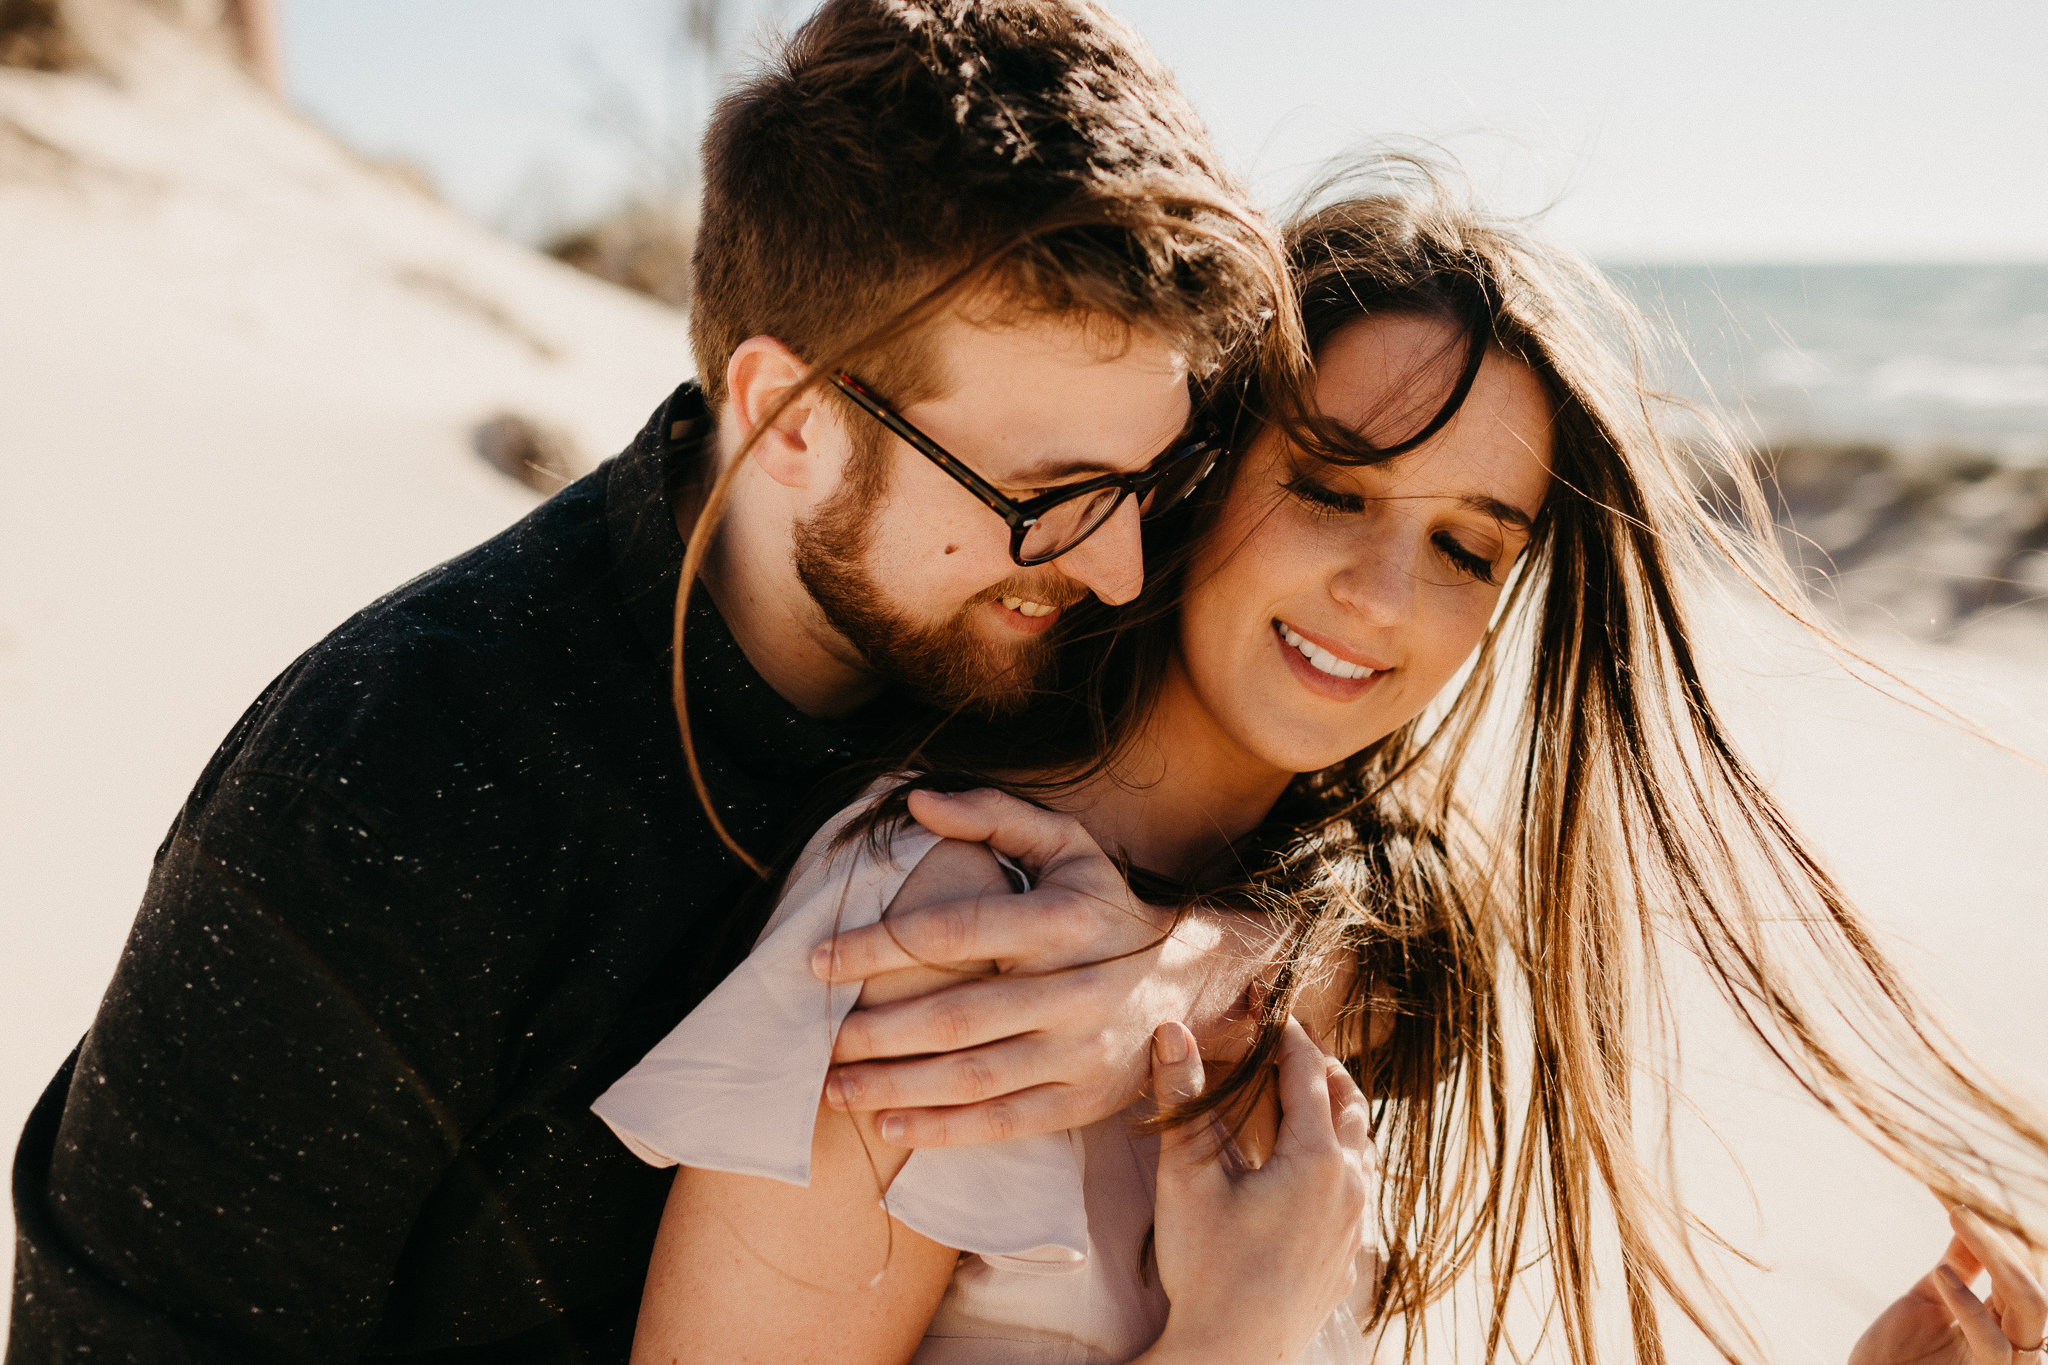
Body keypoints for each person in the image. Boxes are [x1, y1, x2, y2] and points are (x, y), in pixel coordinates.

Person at [5, 4, 1293, 1358]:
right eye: (1052, 495)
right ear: (791, 422)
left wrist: (1188, 970)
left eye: (1159, 479)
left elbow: (1411, 880)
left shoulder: (1044, 611)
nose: (1125, 573)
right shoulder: (390, 792)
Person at [601, 178, 2048, 1365]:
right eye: (1333, 486)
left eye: (1468, 546)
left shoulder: (1330, 949)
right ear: (1206, 467)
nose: (1382, 591)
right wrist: (1232, 1331)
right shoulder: (944, 939)